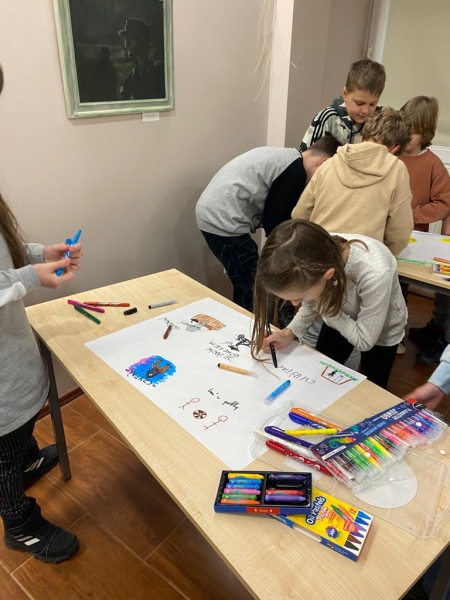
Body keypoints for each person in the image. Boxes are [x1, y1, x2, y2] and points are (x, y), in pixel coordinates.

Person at [0, 65, 82, 563]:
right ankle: (19, 524)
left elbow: (3, 252)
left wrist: (37, 253)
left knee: (20, 432)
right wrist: (33, 277)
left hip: (11, 353)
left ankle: (27, 459)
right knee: (4, 451)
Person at [251, 220, 407, 389]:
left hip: (379, 330)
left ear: (328, 275)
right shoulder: (314, 258)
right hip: (338, 313)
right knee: (321, 376)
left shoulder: (375, 273)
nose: (295, 303)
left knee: (373, 388)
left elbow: (364, 341)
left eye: (299, 297)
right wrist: (289, 333)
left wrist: (326, 307)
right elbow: (312, 303)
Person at [195, 136, 340, 311]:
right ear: (323, 164)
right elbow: (276, 226)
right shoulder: (295, 170)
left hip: (215, 214)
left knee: (246, 281)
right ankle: (251, 323)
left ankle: (249, 319)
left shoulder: (286, 158)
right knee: (253, 285)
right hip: (222, 220)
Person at [292, 107, 414, 257]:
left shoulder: (330, 163)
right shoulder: (396, 169)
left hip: (320, 253)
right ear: (395, 149)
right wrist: (383, 258)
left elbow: (299, 214)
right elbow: (399, 232)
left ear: (362, 138)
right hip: (364, 258)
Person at [398, 97, 450, 365]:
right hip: (382, 235)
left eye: (414, 130)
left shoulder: (432, 164)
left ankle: (397, 334)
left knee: (401, 286)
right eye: (405, 128)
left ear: (426, 131)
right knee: (388, 285)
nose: (408, 135)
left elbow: (444, 203)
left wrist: (412, 215)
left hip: (411, 241)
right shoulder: (391, 154)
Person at [299, 59, 386, 151]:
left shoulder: (380, 121)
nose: (366, 111)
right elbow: (306, 156)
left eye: (372, 104)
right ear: (345, 94)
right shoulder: (328, 119)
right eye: (359, 103)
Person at [118, 17, 165, 100]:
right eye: (126, 39)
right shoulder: (129, 79)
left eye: (131, 39)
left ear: (142, 41)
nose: (126, 44)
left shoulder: (159, 71)